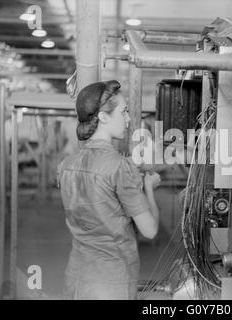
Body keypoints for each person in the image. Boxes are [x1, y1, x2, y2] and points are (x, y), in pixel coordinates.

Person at [58, 80, 161, 300]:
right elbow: (150, 230)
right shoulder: (119, 167)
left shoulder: (66, 164)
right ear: (103, 117)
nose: (129, 118)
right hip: (111, 282)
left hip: (76, 277)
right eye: (124, 112)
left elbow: (97, 203)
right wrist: (148, 188)